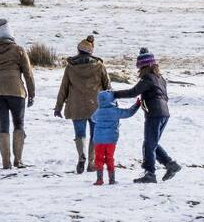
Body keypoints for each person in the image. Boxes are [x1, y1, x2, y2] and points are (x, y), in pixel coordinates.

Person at [112, 49, 180, 183]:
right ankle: (170, 164)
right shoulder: (160, 78)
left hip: (154, 114)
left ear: (145, 66)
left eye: (140, 67)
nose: (139, 70)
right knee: (151, 143)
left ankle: (150, 173)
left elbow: (133, 92)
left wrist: (114, 94)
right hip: (163, 113)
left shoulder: (148, 78)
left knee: (149, 144)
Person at [0, 18, 35, 170]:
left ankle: (5, 162)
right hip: (16, 91)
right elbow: (28, 74)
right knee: (18, 123)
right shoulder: (19, 50)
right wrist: (32, 94)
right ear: (12, 36)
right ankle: (18, 160)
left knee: (3, 125)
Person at [53, 35, 110, 174]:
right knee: (95, 134)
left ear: (79, 50)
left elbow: (64, 88)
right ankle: (91, 162)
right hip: (95, 105)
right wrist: (111, 105)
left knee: (80, 133)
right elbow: (107, 86)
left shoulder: (70, 67)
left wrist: (58, 106)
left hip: (76, 105)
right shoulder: (99, 66)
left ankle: (81, 157)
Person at [90, 90, 141, 186]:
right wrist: (137, 105)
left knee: (99, 158)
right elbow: (129, 113)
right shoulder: (115, 111)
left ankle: (99, 179)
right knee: (109, 158)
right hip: (111, 140)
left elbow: (92, 118)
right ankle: (111, 179)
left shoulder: (98, 111)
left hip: (98, 140)